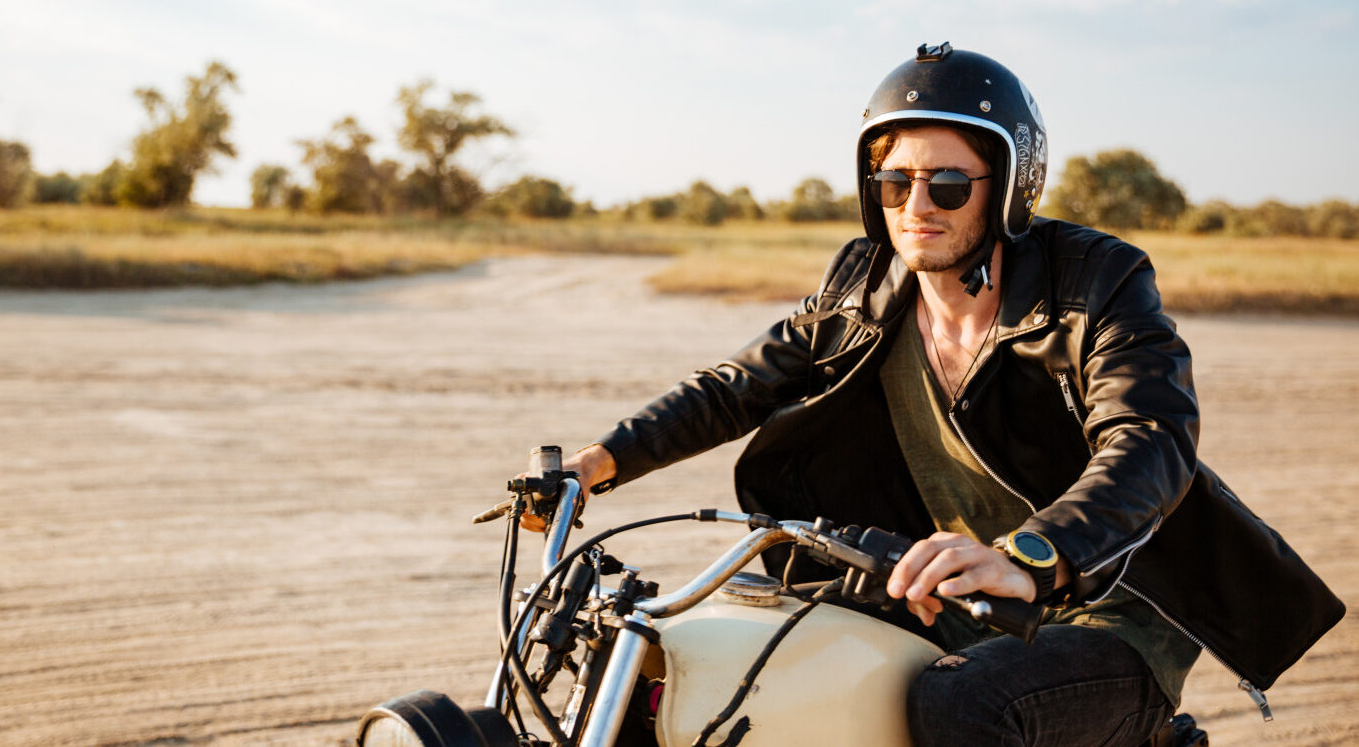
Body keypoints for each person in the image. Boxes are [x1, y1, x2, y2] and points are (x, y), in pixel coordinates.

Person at [528, 43, 1344, 746]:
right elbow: (734, 387)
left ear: (1008, 185)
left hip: (1105, 608)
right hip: (946, 590)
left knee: (961, 701)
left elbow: (1150, 440)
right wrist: (597, 464)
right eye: (894, 182)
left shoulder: (1096, 282)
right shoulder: (865, 286)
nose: (916, 207)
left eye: (948, 185)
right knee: (729, 649)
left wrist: (1031, 557)